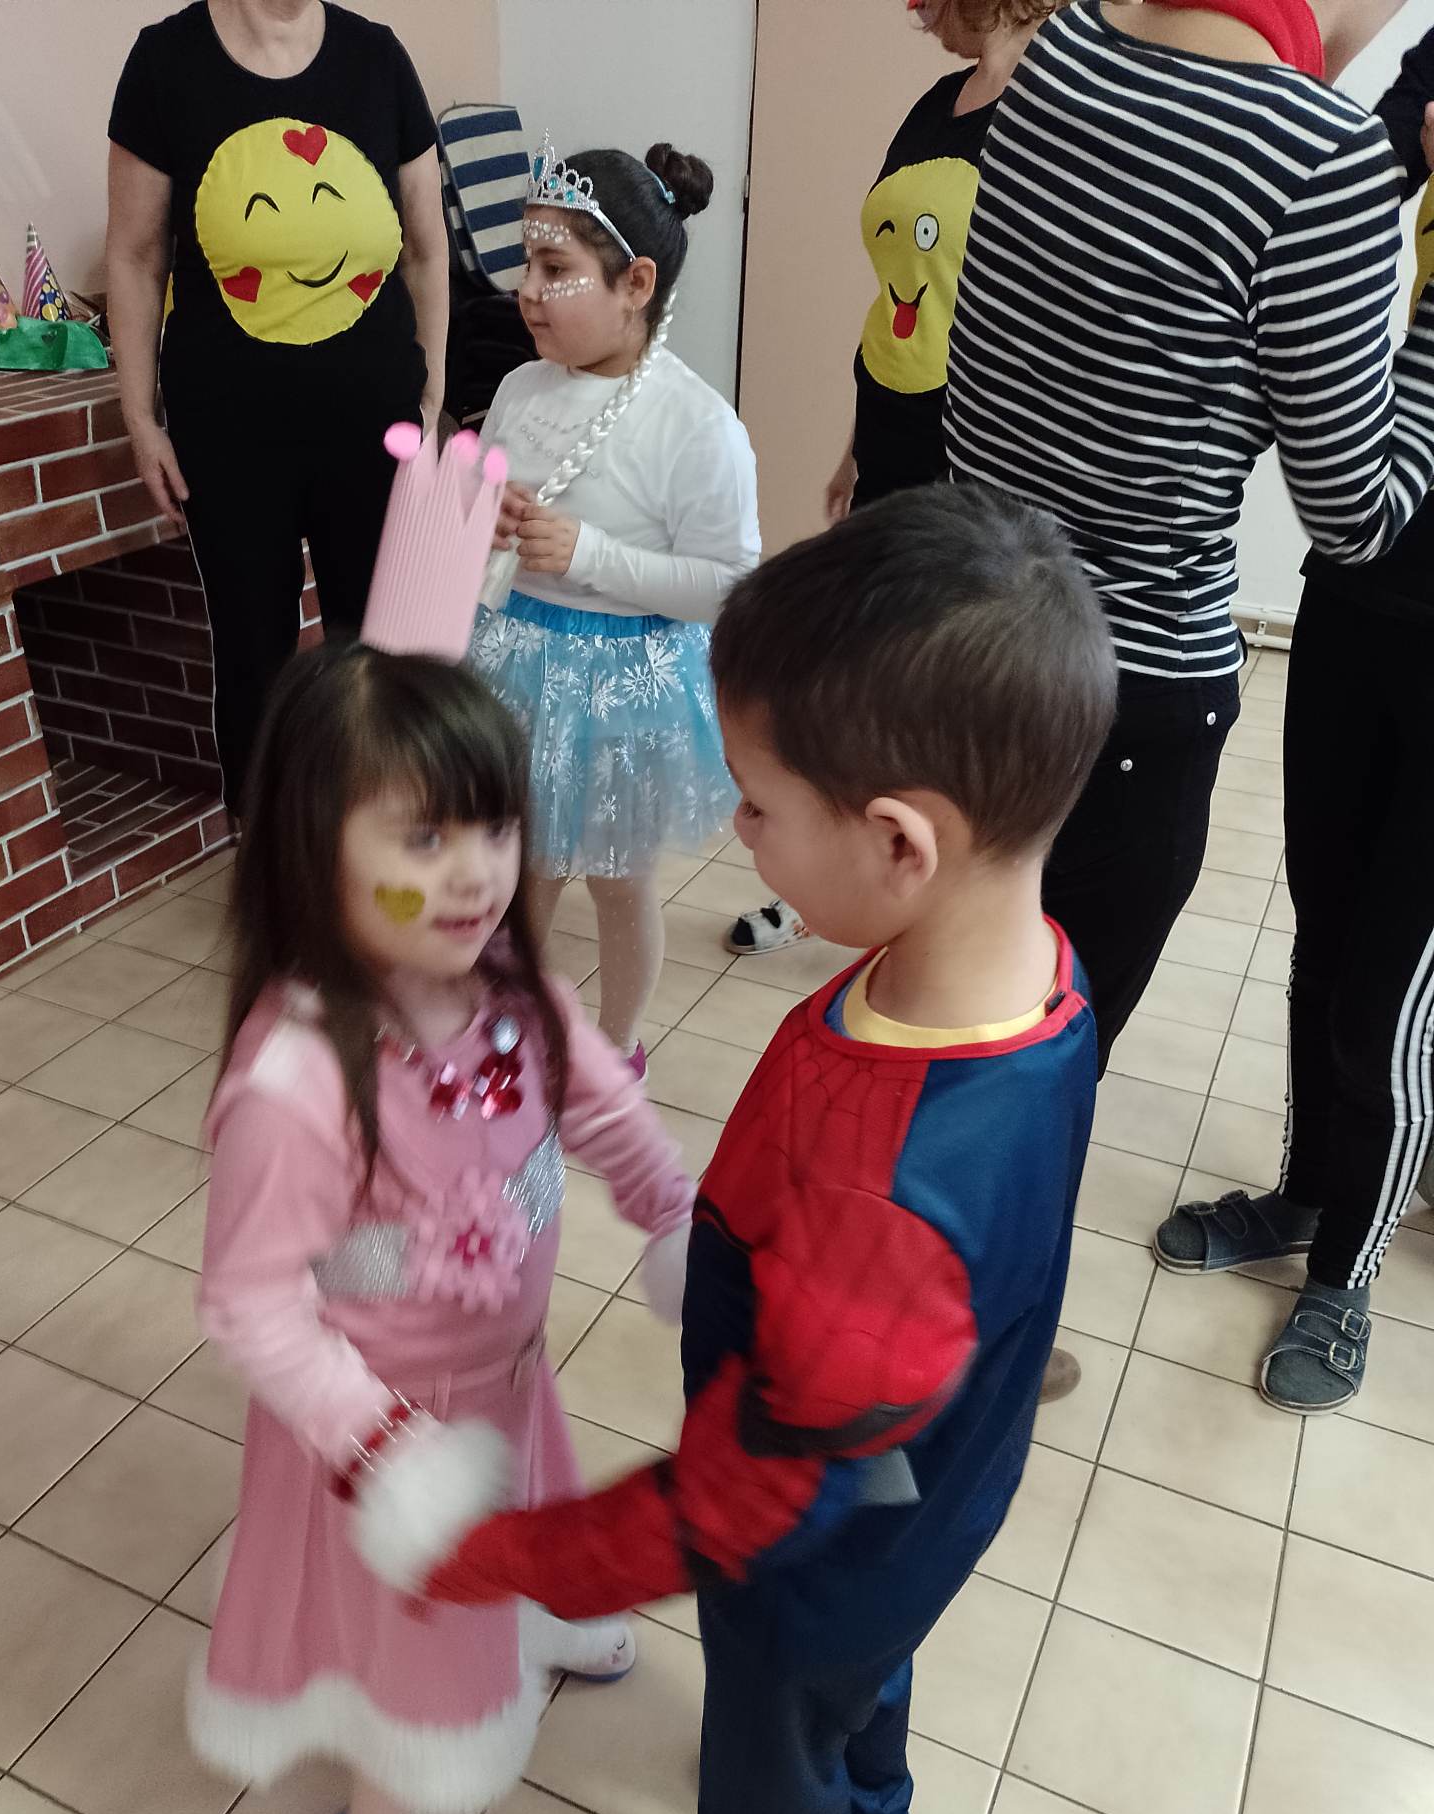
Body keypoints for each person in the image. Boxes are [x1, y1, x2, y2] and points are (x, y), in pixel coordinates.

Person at [400, 485, 1118, 1814]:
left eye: (757, 803)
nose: (738, 829)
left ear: (900, 841)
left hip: (821, 1519)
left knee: (774, 1721)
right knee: (865, 1668)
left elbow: (741, 1503)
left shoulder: (883, 1185)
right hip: (927, 1479)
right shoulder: (1037, 980)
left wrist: (520, 1557)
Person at [189, 632, 695, 1814]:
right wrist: (383, 1449)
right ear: (314, 852)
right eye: (423, 838)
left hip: (508, 1385)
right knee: (420, 1663)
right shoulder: (297, 1081)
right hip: (385, 1443)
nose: (474, 871)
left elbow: (604, 1102)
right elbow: (249, 1304)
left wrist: (672, 1212)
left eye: (491, 826)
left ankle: (537, 1612)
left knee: (524, 1531)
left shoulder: (512, 992)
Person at [945, 0, 1434, 1067]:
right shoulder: (1322, 158)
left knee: (942, 1028)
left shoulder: (1067, 44)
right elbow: (1357, 518)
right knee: (1029, 1080)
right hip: (1121, 694)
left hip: (958, 637)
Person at [1154, 28, 1434, 1413]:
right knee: (1321, 935)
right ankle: (1309, 1192)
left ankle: (1346, 1272)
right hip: (1361, 593)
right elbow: (1357, 165)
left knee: (1392, 992)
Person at [727, 0, 1064, 962]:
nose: (912, 9)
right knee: (868, 665)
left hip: (984, 446)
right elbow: (899, 290)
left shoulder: (1064, 102)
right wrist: (853, 445)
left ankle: (943, 902)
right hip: (892, 426)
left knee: (947, 682)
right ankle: (838, 876)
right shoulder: (937, 104)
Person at [106, 0, 450, 815]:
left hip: (375, 422)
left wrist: (433, 392)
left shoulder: (379, 59)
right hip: (226, 432)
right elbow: (135, 255)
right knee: (254, 658)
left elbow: (427, 249)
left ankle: (382, 845)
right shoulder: (165, 63)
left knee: (382, 654)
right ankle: (272, 860)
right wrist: (140, 419)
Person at [470, 139, 760, 1070]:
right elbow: (488, 520)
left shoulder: (696, 424)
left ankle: (616, 1045)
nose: (527, 290)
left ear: (635, 283)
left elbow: (727, 584)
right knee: (523, 873)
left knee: (617, 882)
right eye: (526, 262)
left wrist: (589, 554)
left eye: (554, 268)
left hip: (622, 684)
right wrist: (487, 521)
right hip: (517, 663)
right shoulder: (517, 389)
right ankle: (513, 1035)